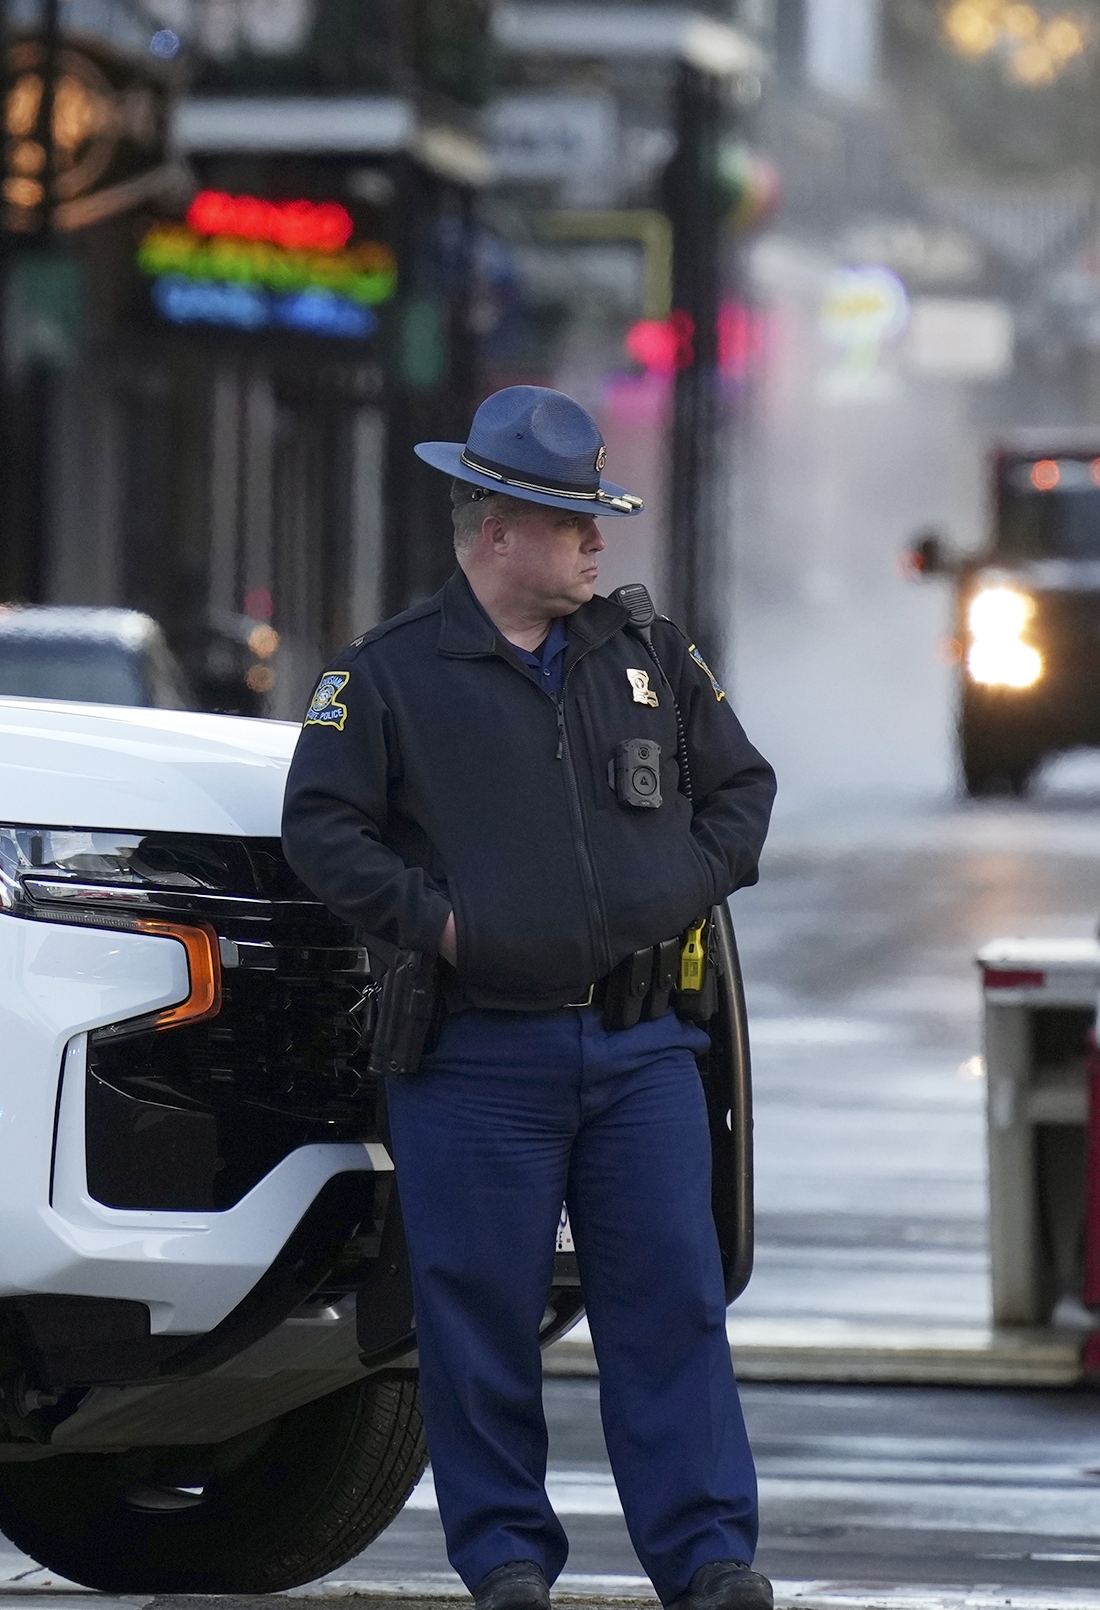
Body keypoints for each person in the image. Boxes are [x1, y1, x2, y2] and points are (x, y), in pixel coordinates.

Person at [281, 386, 776, 1610]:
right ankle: (503, 1556)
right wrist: (441, 922)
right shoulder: (389, 673)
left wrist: (672, 884)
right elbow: (320, 829)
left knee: (672, 1303)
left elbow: (742, 793)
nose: (597, 542)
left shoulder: (647, 654)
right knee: (476, 1320)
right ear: (497, 526)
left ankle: (706, 1555)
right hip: (472, 1060)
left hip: (641, 1046)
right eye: (571, 520)